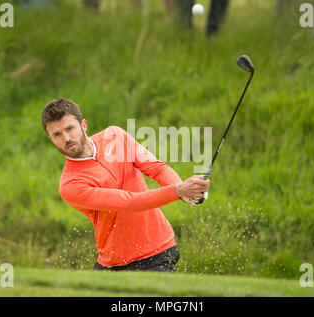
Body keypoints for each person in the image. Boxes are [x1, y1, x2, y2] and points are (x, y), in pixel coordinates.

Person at [41, 98, 210, 272]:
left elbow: (156, 169)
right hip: (113, 263)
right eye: (57, 134)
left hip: (157, 251)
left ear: (83, 125)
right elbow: (128, 202)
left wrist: (184, 189)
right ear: (51, 139)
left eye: (70, 129)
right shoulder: (70, 184)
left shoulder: (115, 136)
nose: (67, 138)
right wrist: (178, 191)